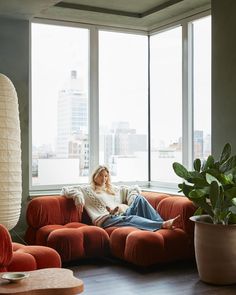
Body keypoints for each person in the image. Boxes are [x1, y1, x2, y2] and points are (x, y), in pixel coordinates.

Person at [61, 165, 180, 231]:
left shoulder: (113, 189)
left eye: (106, 176)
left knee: (140, 199)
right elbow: (65, 189)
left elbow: (133, 188)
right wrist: (78, 196)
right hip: (105, 219)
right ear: (94, 176)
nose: (104, 179)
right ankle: (162, 225)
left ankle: (160, 222)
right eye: (101, 175)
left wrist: (132, 197)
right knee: (130, 218)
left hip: (121, 214)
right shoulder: (87, 190)